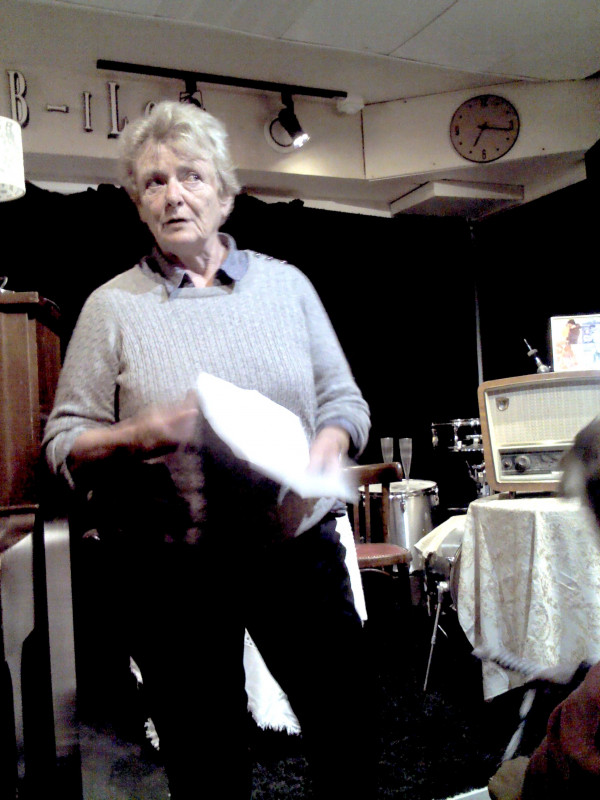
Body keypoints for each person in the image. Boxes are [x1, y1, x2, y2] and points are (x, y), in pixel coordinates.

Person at [43, 100, 375, 799]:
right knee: (206, 764)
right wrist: (140, 434)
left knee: (348, 737)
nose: (173, 195)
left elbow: (344, 400)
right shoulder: (111, 307)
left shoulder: (288, 287)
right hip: (173, 570)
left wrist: (330, 441)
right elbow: (62, 440)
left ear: (224, 195)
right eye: (154, 181)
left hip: (297, 549)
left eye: (190, 176)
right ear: (138, 204)